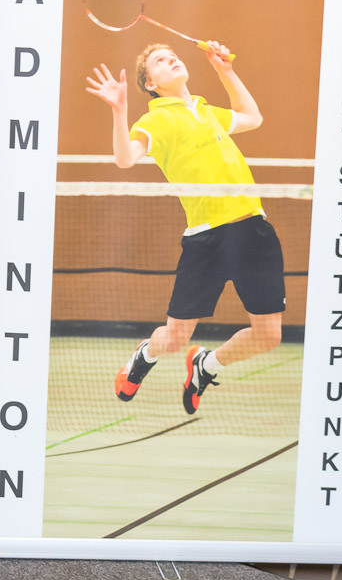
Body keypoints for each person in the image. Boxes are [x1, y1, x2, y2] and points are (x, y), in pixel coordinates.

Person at [87, 42, 284, 414]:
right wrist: (120, 110)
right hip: (207, 238)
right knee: (175, 339)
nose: (171, 59)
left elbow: (252, 117)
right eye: (160, 60)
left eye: (173, 55)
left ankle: (207, 365)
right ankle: (146, 354)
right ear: (151, 84)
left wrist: (225, 70)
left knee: (269, 336)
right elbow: (125, 159)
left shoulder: (206, 111)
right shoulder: (156, 121)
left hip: (253, 230)